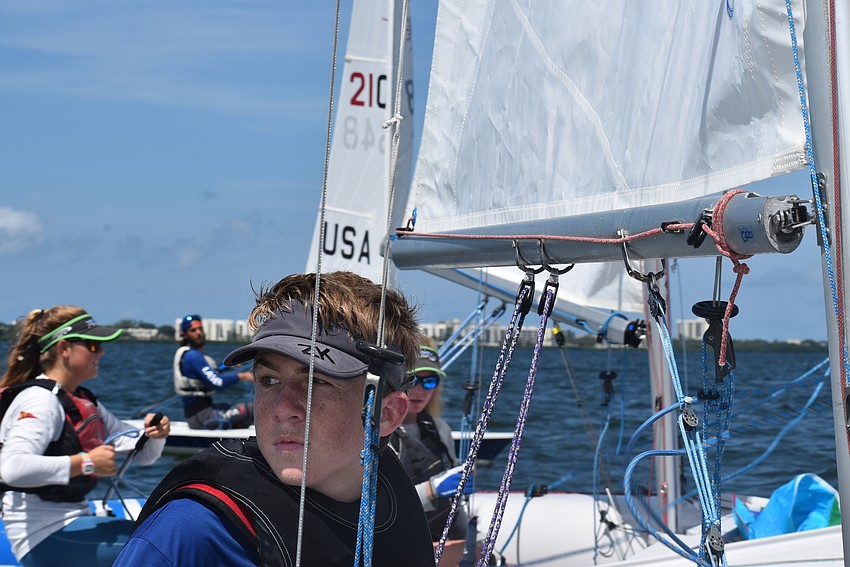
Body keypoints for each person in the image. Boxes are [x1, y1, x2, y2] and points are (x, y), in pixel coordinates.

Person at [115, 272, 434, 567]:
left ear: (387, 414)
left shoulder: (394, 503)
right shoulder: (193, 532)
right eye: (268, 380)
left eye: (316, 382)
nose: (282, 407)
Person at [0, 306, 171, 567]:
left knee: (173, 536)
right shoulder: (39, 401)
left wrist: (156, 434)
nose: (101, 352)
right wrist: (87, 463)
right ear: (64, 348)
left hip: (73, 523)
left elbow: (143, 454)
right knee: (170, 550)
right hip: (43, 537)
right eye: (92, 346)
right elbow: (12, 469)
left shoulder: (81, 400)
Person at [388, 339, 473, 543]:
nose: (420, 390)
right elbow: (379, 505)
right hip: (397, 545)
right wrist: (432, 490)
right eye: (413, 379)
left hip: (441, 543)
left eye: (430, 381)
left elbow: (454, 505)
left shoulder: (440, 429)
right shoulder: (378, 433)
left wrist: (471, 542)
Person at [174, 314, 254, 429]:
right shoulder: (193, 356)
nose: (198, 332)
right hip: (201, 416)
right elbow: (217, 382)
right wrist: (243, 376)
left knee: (243, 414)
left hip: (199, 414)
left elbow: (209, 375)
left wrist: (227, 366)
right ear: (185, 335)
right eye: (193, 330)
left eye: (200, 328)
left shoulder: (191, 355)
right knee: (253, 409)